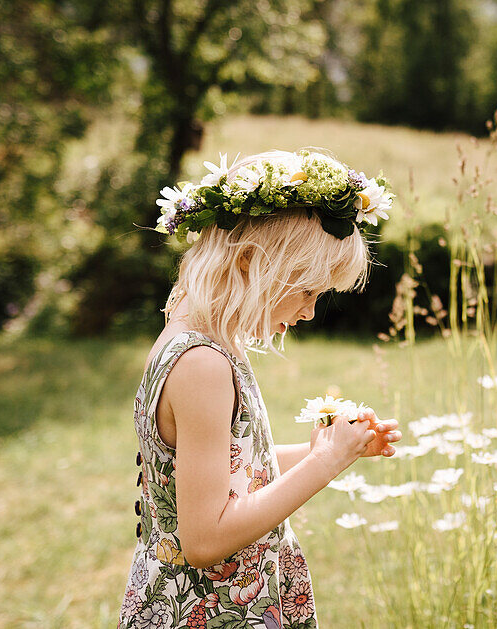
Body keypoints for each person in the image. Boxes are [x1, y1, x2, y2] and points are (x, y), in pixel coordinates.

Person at [118, 150, 402, 629]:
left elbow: (227, 471)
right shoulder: (202, 364)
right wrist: (324, 464)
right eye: (308, 290)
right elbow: (206, 540)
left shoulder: (204, 340)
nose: (311, 312)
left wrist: (324, 448)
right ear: (250, 263)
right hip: (210, 609)